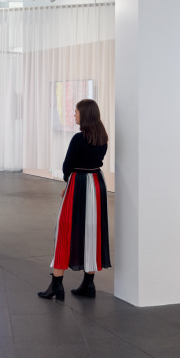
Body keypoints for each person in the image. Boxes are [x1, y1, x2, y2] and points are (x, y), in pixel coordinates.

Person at [38, 98, 111, 301]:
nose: (74, 115)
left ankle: (57, 284)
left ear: (84, 114)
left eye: (76, 112)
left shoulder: (79, 138)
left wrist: (68, 183)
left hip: (78, 183)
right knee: (93, 231)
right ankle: (89, 284)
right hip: (97, 184)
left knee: (65, 229)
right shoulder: (103, 137)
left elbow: (67, 165)